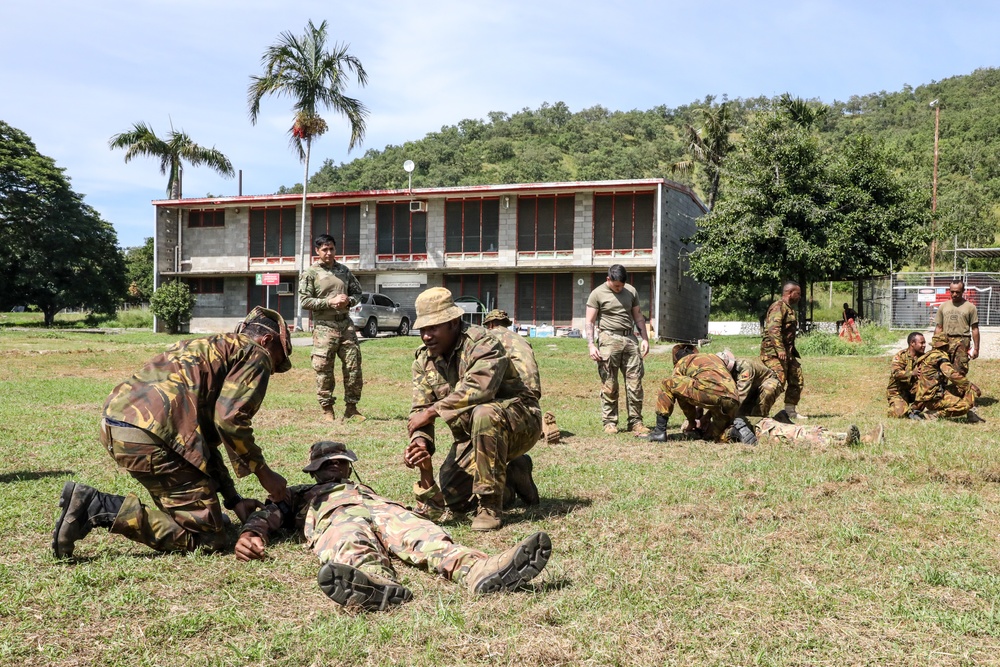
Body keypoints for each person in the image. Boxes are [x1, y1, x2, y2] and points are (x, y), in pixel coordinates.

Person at [52, 307, 294, 558]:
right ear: (267, 340)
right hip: (152, 439)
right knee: (208, 537)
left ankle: (185, 513)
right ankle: (96, 507)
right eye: (278, 359)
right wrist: (265, 474)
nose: (273, 368)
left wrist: (233, 500)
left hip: (118, 426)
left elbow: (204, 445)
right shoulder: (256, 352)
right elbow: (230, 421)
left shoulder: (208, 346)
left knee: (209, 517)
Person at [234, 441, 552, 612]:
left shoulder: (370, 491)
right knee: (349, 539)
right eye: (326, 463)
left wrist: (426, 473)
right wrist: (251, 533)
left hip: (385, 511)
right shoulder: (300, 493)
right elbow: (270, 513)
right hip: (337, 515)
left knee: (426, 536)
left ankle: (479, 570)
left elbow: (430, 510)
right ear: (314, 470)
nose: (334, 465)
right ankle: (375, 584)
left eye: (340, 461)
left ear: (348, 466)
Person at [404, 288, 543, 531]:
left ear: (454, 322)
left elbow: (481, 389)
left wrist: (431, 412)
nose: (426, 336)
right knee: (452, 499)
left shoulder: (483, 342)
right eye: (422, 330)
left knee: (485, 412)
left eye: (433, 328)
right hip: (474, 437)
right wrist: (421, 442)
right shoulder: (424, 361)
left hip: (520, 422)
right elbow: (420, 410)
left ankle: (490, 505)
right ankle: (512, 478)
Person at [298, 234, 364, 422]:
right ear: (317, 251)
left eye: (332, 249)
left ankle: (351, 408)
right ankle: (327, 409)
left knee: (353, 367)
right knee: (324, 369)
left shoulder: (343, 270)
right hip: (324, 327)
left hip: (345, 325)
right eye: (324, 249)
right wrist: (330, 302)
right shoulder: (310, 273)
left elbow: (357, 293)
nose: (329, 252)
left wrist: (348, 300)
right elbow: (304, 301)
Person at [482, 308, 544, 499]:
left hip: (504, 409)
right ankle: (517, 465)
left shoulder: (486, 340)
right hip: (531, 413)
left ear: (490, 324)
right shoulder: (522, 339)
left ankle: (503, 490)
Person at [585, 264, 650, 435]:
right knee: (609, 383)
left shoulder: (631, 291)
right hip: (608, 339)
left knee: (635, 383)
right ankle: (610, 422)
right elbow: (590, 322)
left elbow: (638, 316)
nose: (619, 288)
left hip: (629, 339)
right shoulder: (597, 294)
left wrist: (645, 339)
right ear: (608, 279)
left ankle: (636, 422)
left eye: (621, 285)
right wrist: (591, 345)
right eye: (616, 286)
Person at [647, 344, 739, 443]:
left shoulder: (681, 363)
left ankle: (659, 432)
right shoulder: (713, 358)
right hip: (733, 398)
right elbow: (718, 390)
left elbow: (681, 395)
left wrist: (691, 421)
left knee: (667, 384)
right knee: (713, 435)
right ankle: (732, 432)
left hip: (710, 393)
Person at [911, 332, 984, 422]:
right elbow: (951, 374)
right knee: (964, 405)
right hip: (933, 398)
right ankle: (935, 414)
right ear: (945, 346)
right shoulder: (940, 356)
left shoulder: (929, 355)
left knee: (962, 388)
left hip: (930, 395)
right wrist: (969, 384)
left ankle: (972, 415)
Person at [761, 281, 806, 421]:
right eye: (798, 294)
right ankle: (760, 411)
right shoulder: (778, 307)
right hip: (773, 353)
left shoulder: (789, 309)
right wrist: (780, 349)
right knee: (777, 382)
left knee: (796, 378)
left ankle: (790, 411)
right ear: (790, 293)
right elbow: (773, 329)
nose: (799, 297)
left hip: (787, 353)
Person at [717, 349, 781, 419]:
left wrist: (728, 412)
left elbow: (741, 393)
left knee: (768, 389)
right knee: (741, 416)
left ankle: (760, 417)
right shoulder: (720, 373)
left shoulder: (745, 367)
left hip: (764, 383)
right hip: (750, 388)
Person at [933, 279, 980, 377]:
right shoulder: (943, 306)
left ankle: (958, 392)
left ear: (963, 291)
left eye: (957, 292)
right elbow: (939, 327)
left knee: (959, 372)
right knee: (940, 371)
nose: (954, 294)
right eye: (952, 291)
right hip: (945, 341)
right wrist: (935, 345)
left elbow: (975, 329)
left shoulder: (970, 307)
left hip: (961, 343)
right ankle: (942, 392)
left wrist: (976, 349)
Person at [886, 332, 925, 418]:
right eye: (921, 343)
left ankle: (914, 411)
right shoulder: (900, 356)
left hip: (913, 390)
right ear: (912, 343)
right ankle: (899, 407)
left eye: (924, 343)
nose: (924, 345)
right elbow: (896, 373)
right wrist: (912, 373)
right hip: (898, 392)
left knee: (929, 389)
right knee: (898, 414)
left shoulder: (924, 357)